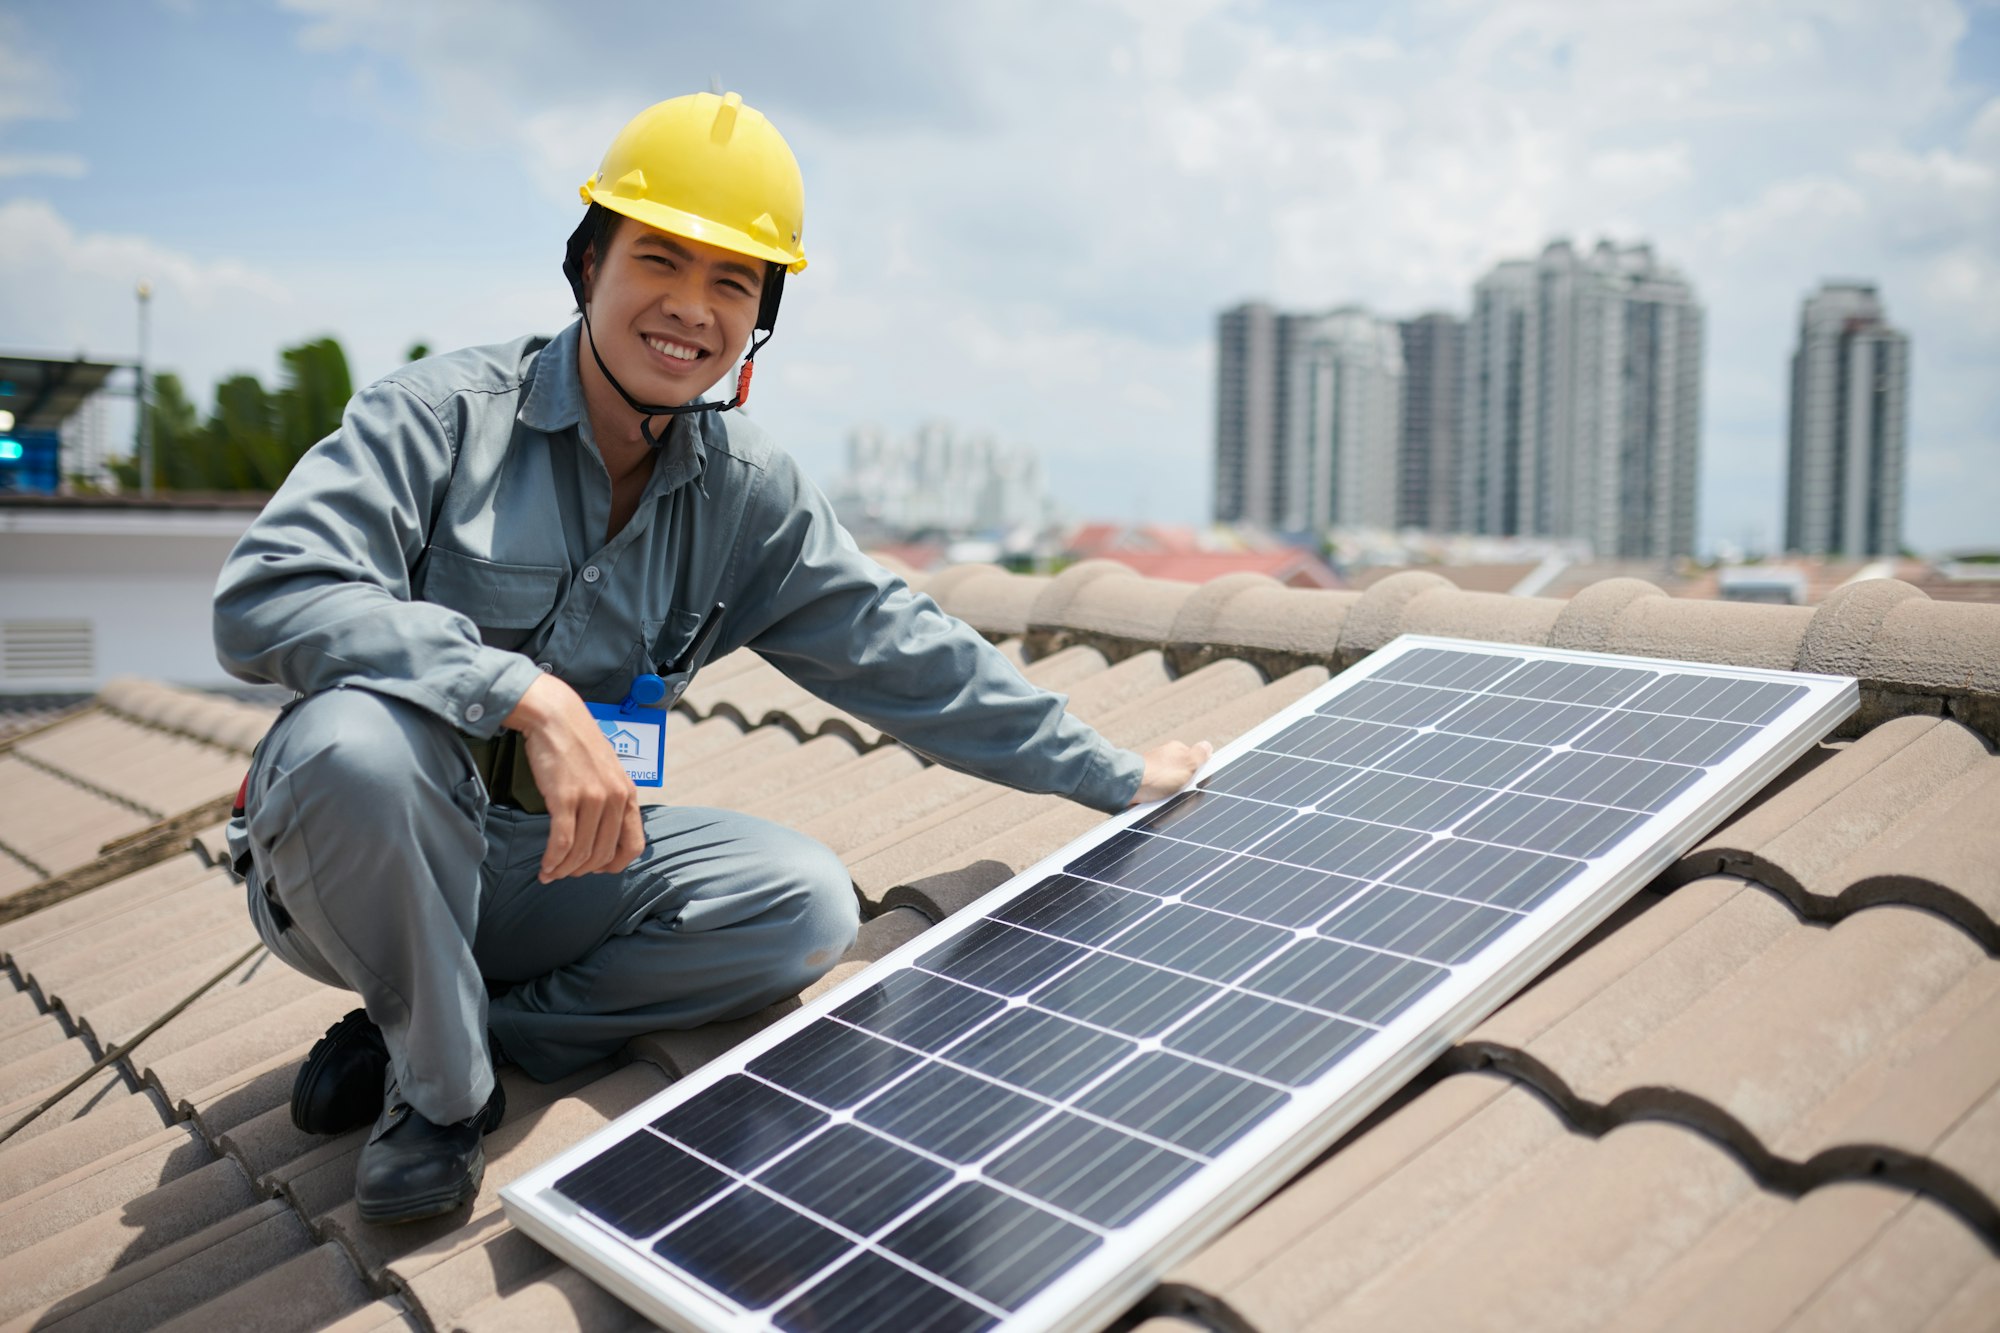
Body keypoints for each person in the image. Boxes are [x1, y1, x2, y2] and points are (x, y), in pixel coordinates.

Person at [214, 91, 1209, 1226]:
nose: (690, 308)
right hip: (367, 856)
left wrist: (1108, 773)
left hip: (552, 870)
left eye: (732, 282)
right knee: (354, 746)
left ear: (759, 318)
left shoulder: (745, 494)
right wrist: (522, 694)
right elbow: (269, 594)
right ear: (588, 264)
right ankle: (440, 1098)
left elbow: (901, 648)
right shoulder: (437, 418)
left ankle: (451, 1023)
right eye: (661, 261)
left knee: (799, 904)